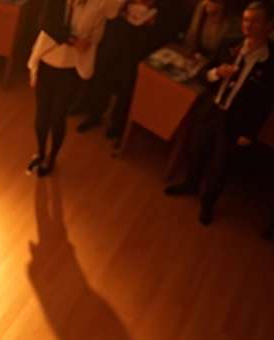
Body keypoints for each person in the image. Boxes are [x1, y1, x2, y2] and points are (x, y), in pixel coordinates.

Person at [164, 1, 274, 225]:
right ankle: (190, 184)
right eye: (245, 20)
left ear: (269, 25)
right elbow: (202, 73)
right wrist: (216, 73)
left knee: (219, 168)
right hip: (210, 110)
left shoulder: (271, 63)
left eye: (255, 21)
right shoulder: (228, 45)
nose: (248, 25)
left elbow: (266, 103)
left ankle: (208, 203)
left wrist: (250, 134)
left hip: (235, 123)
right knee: (195, 153)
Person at [27, 0, 120, 176]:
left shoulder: (98, 5)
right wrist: (73, 40)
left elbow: (98, 33)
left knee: (57, 117)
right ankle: (40, 151)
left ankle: (51, 158)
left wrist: (85, 42)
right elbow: (46, 23)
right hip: (47, 61)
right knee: (41, 115)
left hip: (72, 68)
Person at [76, 0, 181, 142]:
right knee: (104, 75)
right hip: (118, 33)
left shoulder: (170, 5)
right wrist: (123, 11)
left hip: (141, 42)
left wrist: (153, 21)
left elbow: (170, 26)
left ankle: (118, 124)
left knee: (127, 85)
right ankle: (95, 114)